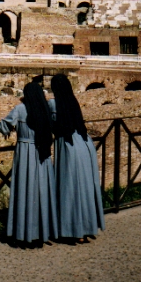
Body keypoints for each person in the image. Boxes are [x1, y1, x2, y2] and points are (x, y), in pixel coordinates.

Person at [0, 80, 58, 245]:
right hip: (43, 153)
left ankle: (25, 232)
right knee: (41, 191)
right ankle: (43, 230)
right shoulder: (45, 109)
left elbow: (5, 124)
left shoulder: (20, 109)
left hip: (25, 152)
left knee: (25, 190)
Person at [49, 74, 105, 243]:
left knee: (71, 188)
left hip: (68, 147)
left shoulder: (53, 104)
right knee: (86, 188)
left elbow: (50, 122)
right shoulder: (73, 102)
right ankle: (87, 227)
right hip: (85, 144)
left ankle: (75, 231)